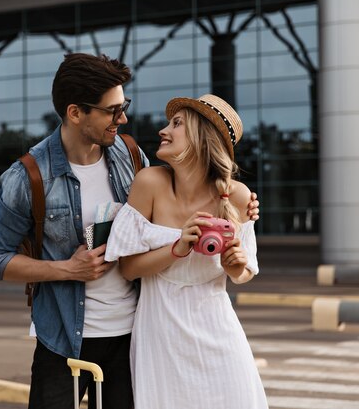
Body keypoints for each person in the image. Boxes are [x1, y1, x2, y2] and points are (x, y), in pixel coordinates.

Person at [0, 54, 260, 409]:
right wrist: (67, 268)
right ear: (75, 112)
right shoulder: (29, 177)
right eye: (113, 110)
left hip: (133, 337)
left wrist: (241, 206)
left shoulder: (130, 157)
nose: (124, 118)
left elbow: (184, 197)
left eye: (123, 106)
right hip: (65, 338)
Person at [105, 94, 268, 409]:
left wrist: (235, 265)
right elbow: (127, 268)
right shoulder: (149, 183)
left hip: (219, 335)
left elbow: (245, 272)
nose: (163, 131)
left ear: (201, 138)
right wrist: (178, 248)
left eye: (176, 124)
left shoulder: (237, 196)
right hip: (160, 337)